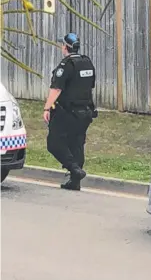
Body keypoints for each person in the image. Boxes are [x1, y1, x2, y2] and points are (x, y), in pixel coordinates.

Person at [43, 33, 97, 191]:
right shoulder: (87, 62)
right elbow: (90, 85)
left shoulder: (66, 65)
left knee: (54, 142)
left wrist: (47, 107)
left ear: (65, 47)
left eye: (62, 45)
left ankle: (74, 169)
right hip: (86, 111)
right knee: (77, 143)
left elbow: (57, 88)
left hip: (68, 111)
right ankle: (75, 182)